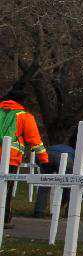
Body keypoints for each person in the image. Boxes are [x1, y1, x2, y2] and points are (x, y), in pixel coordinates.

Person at [0, 87, 49, 226]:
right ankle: (4, 220)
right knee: (6, 190)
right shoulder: (24, 116)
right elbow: (35, 140)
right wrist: (44, 159)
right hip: (11, 159)